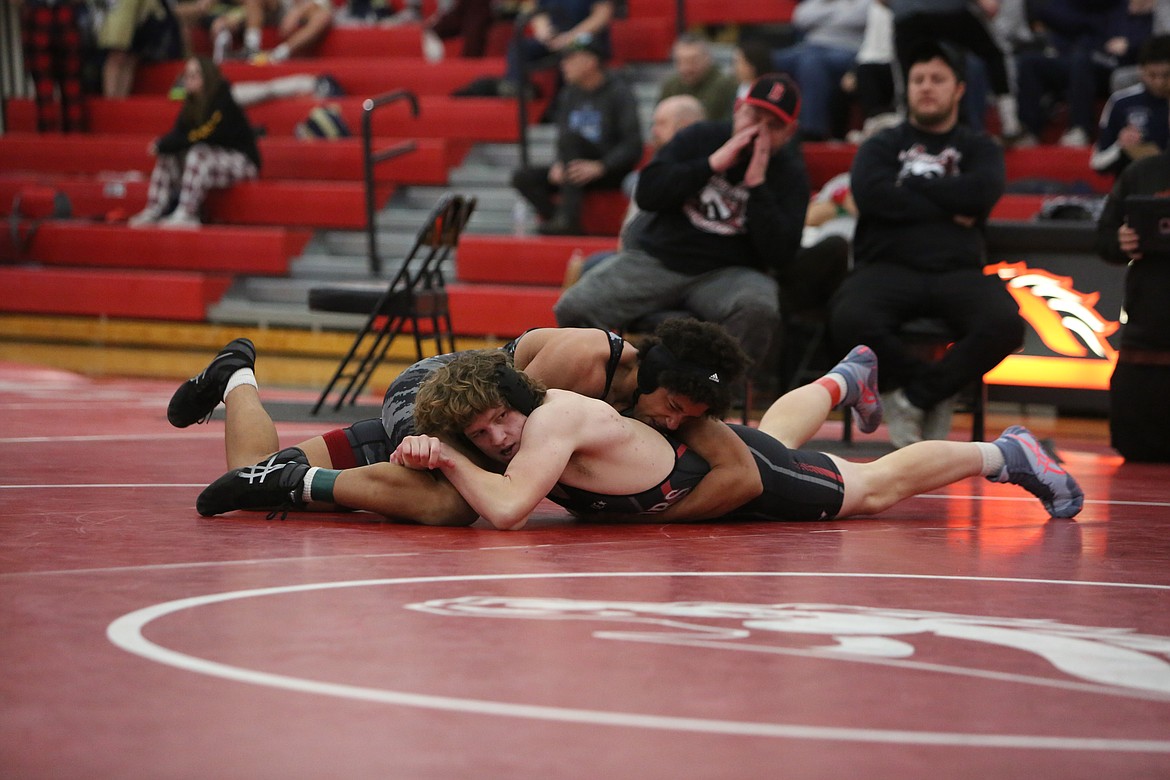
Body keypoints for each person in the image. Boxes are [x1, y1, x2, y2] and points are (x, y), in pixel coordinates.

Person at [195, 347, 1083, 528]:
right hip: (675, 469)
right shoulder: (513, 422)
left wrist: (454, 457)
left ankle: (1005, 457)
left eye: (498, 418)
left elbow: (505, 512)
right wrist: (446, 447)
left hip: (698, 479)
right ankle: (841, 381)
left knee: (865, 488)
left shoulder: (550, 417)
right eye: (481, 432)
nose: (499, 435)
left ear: (517, 396)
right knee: (772, 437)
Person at [553, 73, 810, 390]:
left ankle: (712, 390)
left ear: (790, 132)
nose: (759, 131)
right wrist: (711, 165)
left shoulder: (790, 173)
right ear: (738, 108)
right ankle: (625, 381)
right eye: (754, 117)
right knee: (574, 307)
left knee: (759, 312)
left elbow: (781, 255)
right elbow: (648, 193)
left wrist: (757, 187)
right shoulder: (700, 138)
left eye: (773, 126)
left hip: (729, 273)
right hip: (660, 261)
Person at [828, 40, 1024, 449]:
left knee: (1005, 324)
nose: (926, 87)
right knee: (848, 319)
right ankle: (924, 389)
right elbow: (871, 195)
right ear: (907, 88)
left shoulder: (979, 147)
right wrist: (949, 199)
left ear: (958, 89)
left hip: (958, 272)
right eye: (918, 79)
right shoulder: (881, 144)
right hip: (886, 268)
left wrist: (909, 184)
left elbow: (981, 192)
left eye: (937, 79)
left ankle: (916, 397)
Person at [510, 33, 642, 235]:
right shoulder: (569, 94)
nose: (563, 65)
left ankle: (568, 219)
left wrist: (601, 166)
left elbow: (632, 145)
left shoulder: (619, 92)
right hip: (574, 167)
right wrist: (559, 163)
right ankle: (559, 218)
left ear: (591, 61)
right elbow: (562, 136)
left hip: (609, 169)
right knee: (523, 177)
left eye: (570, 59)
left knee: (572, 141)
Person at [1093, 127, 1170, 462]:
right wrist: (1119, 240)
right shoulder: (1142, 172)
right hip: (1149, 331)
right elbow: (1103, 238)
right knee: (1136, 447)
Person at [127, 56, 261, 228]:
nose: (189, 78)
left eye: (195, 74)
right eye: (187, 74)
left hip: (242, 163)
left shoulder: (223, 99)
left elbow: (206, 134)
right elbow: (179, 135)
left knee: (198, 152)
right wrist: (163, 145)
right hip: (212, 162)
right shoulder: (190, 105)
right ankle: (155, 208)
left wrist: (166, 143)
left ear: (208, 76)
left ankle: (187, 212)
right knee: (169, 153)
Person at [1013, 0, 1150, 149]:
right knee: (1030, 62)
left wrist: (1131, 44)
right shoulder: (1077, 7)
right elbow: (1048, 12)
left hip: (1114, 66)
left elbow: (1156, 43)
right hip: (1078, 60)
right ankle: (1028, 130)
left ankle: (1080, 128)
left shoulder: (1135, 8)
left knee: (1082, 60)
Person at [883, 0, 1024, 141]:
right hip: (948, 11)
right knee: (993, 56)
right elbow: (990, 7)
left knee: (906, 70)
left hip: (910, 16)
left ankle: (905, 123)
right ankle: (1009, 122)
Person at [769, 0, 871, 142]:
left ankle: (812, 132)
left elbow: (860, 16)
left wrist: (824, 15)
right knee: (766, 60)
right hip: (809, 48)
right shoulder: (819, 2)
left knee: (811, 64)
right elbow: (800, 17)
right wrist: (838, 10)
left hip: (847, 50)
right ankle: (764, 123)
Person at [1091, 34, 1170, 179]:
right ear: (1141, 70)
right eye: (1152, 75)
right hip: (1136, 194)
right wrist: (1120, 146)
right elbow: (1097, 163)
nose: (1159, 82)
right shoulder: (1121, 102)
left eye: (1167, 75)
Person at [501, 0, 614, 96]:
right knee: (520, 46)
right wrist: (544, 34)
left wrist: (569, 38)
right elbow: (539, 13)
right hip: (556, 37)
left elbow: (601, 16)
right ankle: (517, 87)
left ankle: (563, 102)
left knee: (572, 52)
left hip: (585, 37)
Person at [19, 0, 88, 132]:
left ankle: (58, 138)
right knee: (59, 88)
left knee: (67, 87)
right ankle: (68, 137)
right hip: (47, 14)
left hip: (56, 14)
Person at [210, 0, 333, 64]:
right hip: (280, 10)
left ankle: (279, 54)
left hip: (309, 13)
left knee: (323, 17)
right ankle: (251, 49)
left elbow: (322, 4)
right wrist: (234, 17)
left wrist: (298, 11)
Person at [658, 34, 739, 122]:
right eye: (680, 61)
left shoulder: (726, 85)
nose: (686, 67)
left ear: (707, 58)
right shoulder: (671, 85)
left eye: (693, 61)